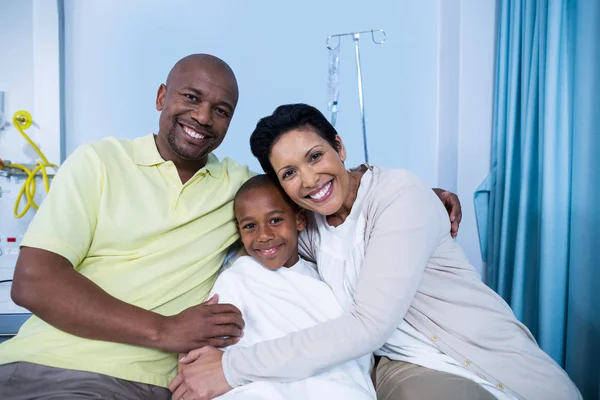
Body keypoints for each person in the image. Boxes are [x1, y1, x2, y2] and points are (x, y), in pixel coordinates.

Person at [0, 55, 460, 399]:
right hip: (45, 364)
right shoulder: (99, 162)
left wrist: (402, 193)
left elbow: (305, 187)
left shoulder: (235, 188)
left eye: (221, 110)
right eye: (191, 98)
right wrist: (166, 330)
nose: (203, 117)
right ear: (162, 97)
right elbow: (34, 282)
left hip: (150, 384)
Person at [175, 104, 582, 400]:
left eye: (315, 156)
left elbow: (366, 325)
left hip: (488, 360)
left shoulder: (399, 194)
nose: (310, 179)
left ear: (340, 146)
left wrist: (231, 368)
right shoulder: (312, 225)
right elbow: (264, 234)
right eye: (290, 173)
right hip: (404, 368)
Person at [171, 174, 376, 400]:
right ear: (239, 231)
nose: (264, 236)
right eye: (250, 226)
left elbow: (350, 349)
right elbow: (203, 355)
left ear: (299, 219)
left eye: (275, 220)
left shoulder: (326, 279)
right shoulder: (237, 278)